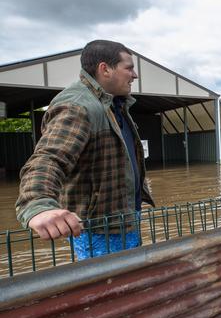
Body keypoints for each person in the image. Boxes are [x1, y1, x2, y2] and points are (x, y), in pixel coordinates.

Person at [15, 39, 154, 260]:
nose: (134, 75)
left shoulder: (114, 104)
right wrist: (38, 204)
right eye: (129, 68)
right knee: (108, 287)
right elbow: (48, 159)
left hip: (124, 220)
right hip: (99, 230)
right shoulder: (78, 106)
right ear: (104, 69)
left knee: (128, 281)